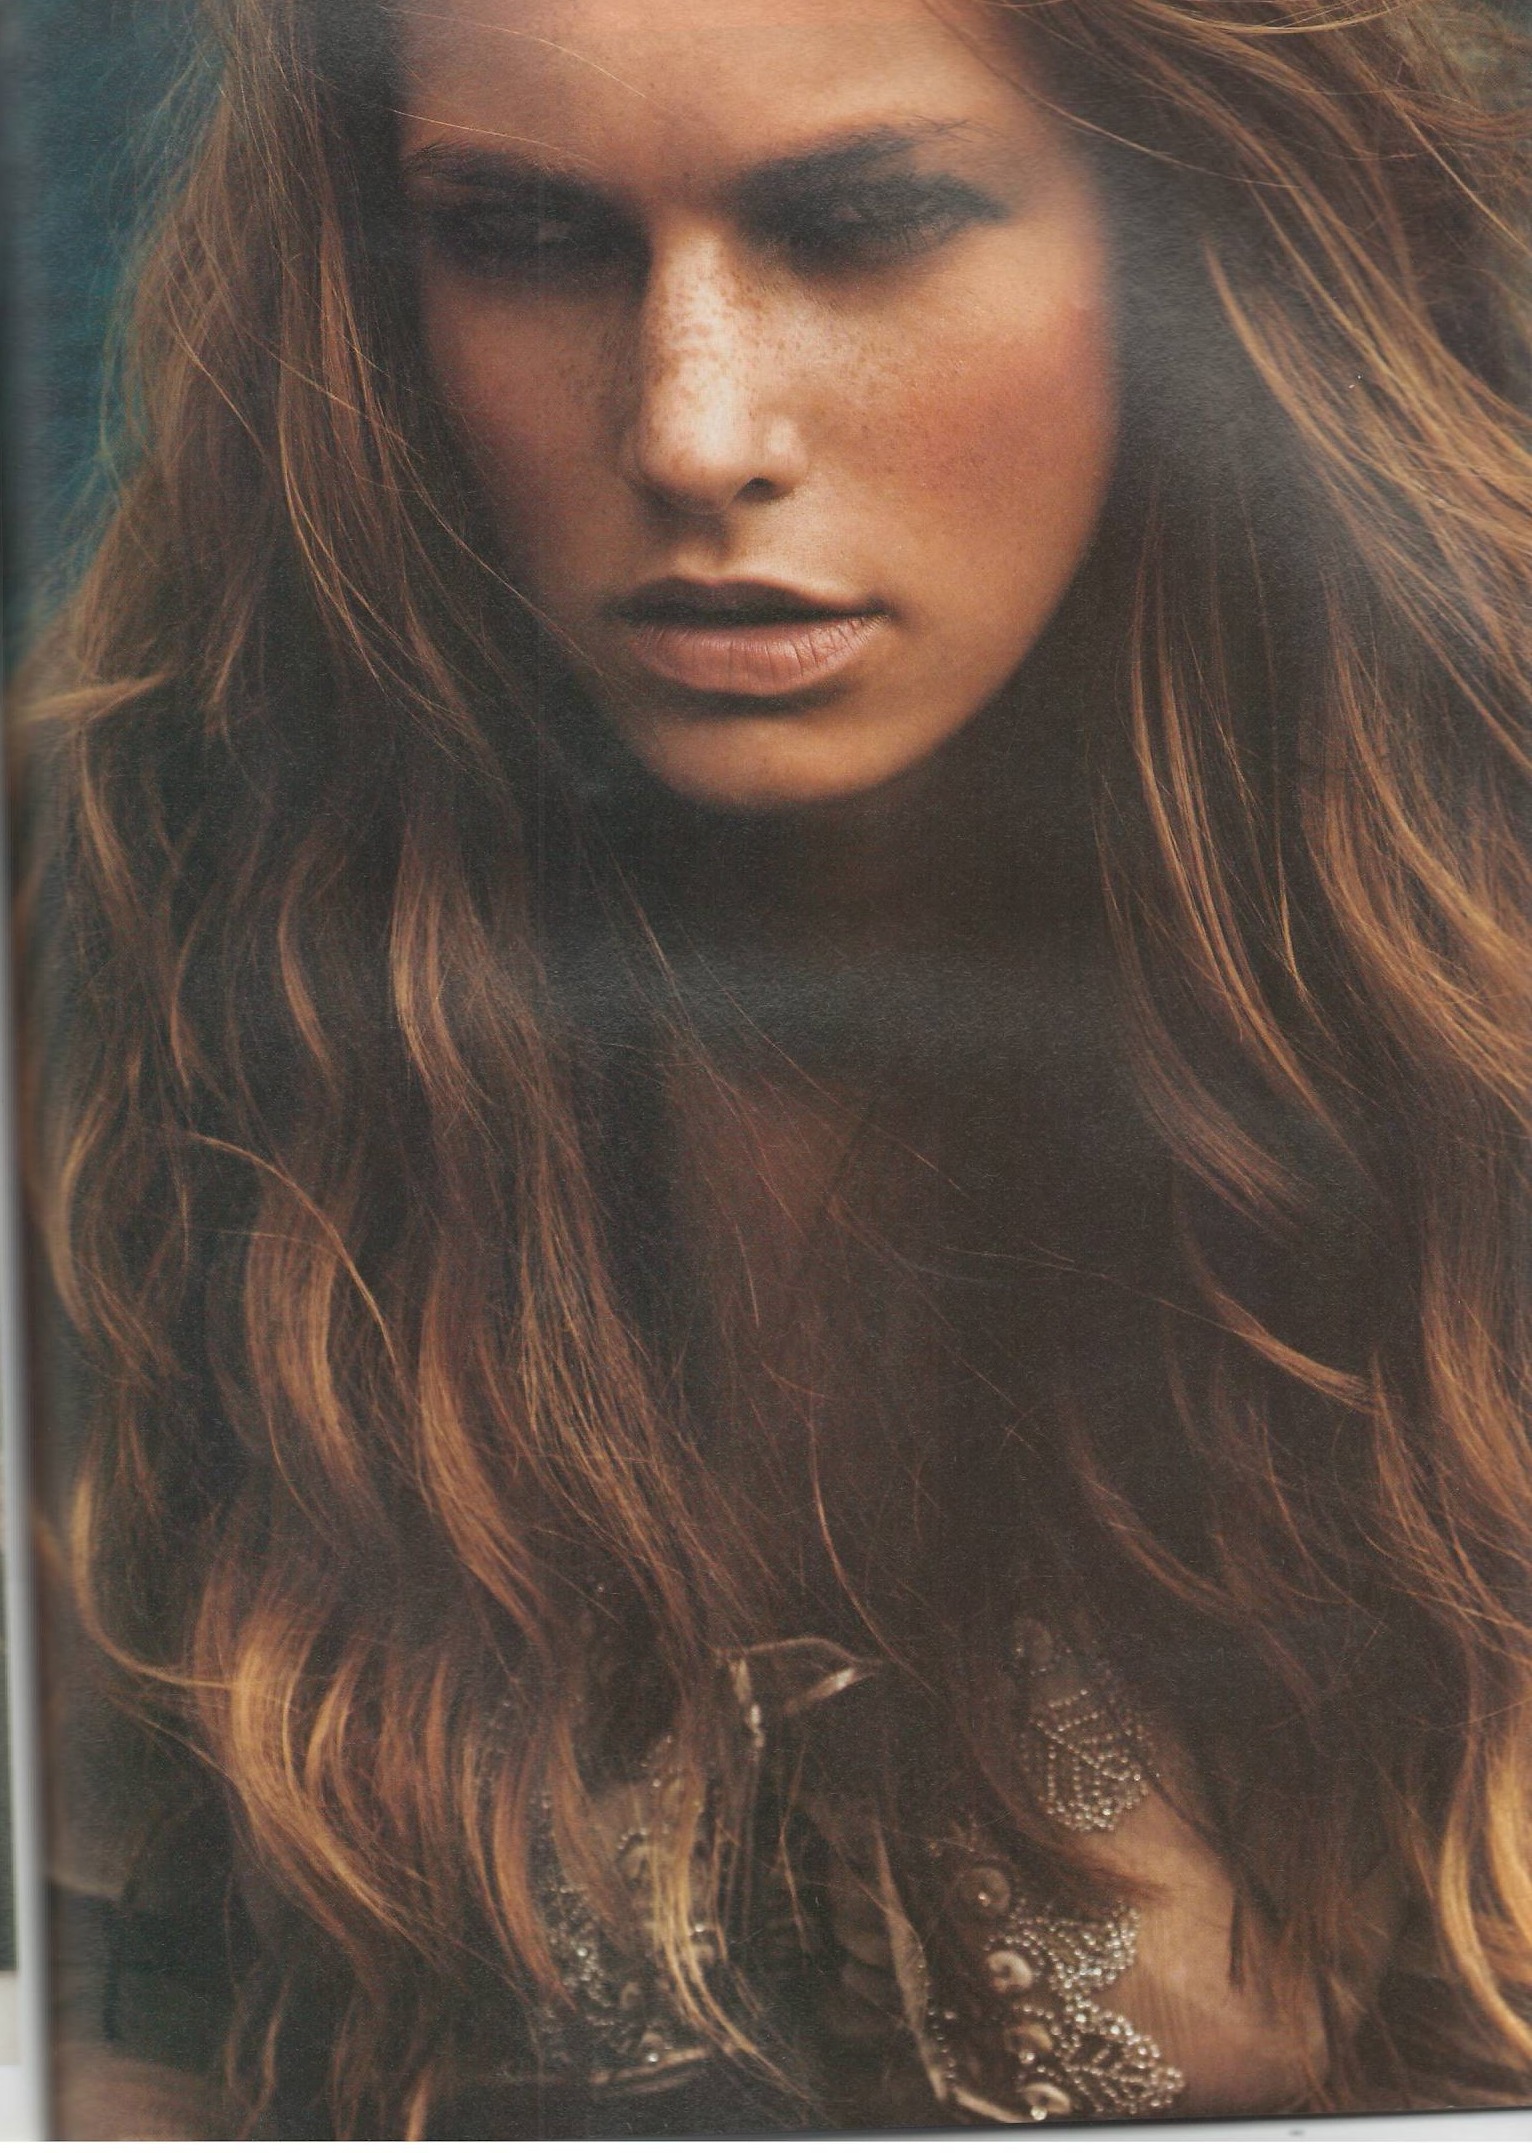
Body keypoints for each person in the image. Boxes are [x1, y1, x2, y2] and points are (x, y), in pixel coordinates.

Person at [16, 0, 1532, 2136]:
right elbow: (112, 2053)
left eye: (864, 222)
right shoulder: (156, 963)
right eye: (526, 240)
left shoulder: (1478, 1001)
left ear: (1198, 234)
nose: (691, 429)